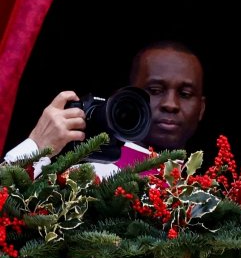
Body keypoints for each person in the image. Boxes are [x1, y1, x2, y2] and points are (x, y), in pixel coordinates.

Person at [3, 40, 206, 167]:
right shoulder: (82, 171)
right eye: (154, 91)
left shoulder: (214, 202)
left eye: (185, 93)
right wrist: (36, 147)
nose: (171, 104)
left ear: (201, 108)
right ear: (123, 100)